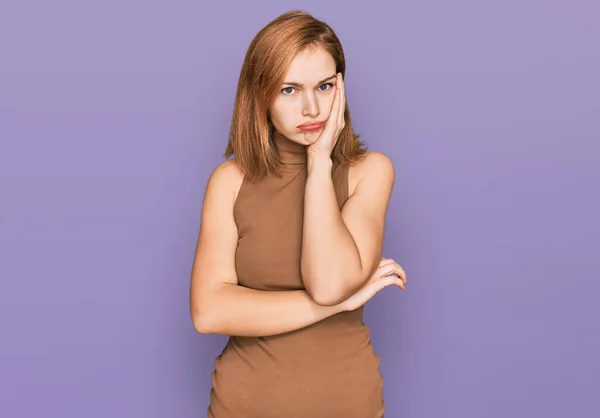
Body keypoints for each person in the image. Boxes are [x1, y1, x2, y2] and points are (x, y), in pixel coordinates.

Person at [189, 9, 407, 418]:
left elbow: (327, 283)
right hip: (243, 404)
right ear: (261, 95)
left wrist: (320, 161)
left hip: (347, 403)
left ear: (341, 88)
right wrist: (334, 307)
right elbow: (209, 311)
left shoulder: (370, 172)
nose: (311, 108)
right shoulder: (230, 180)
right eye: (290, 90)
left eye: (324, 86)